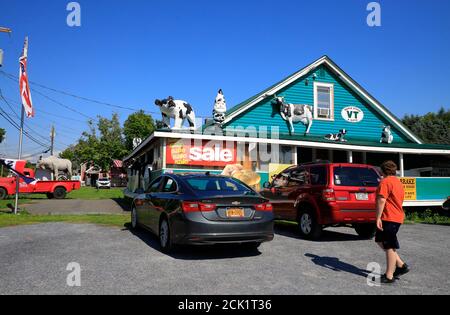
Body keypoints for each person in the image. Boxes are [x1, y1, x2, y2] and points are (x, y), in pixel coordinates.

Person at [375, 161, 410, 284]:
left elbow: (382, 200)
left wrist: (378, 217)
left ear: (382, 171)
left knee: (389, 245)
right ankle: (401, 265)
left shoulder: (385, 182)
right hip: (397, 216)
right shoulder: (398, 182)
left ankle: (389, 276)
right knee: (379, 240)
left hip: (389, 217)